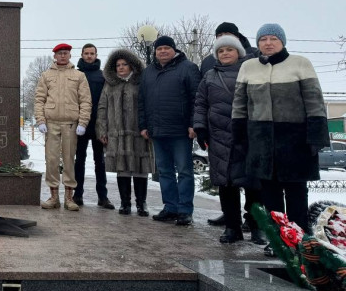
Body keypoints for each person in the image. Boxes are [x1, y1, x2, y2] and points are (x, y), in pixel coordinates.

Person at [232, 24, 329, 249]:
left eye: (273, 38)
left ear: (282, 41)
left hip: (295, 140)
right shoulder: (248, 67)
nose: (268, 43)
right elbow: (239, 105)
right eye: (263, 39)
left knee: (296, 193)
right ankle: (278, 241)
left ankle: (299, 241)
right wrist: (240, 137)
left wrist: (315, 136)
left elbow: (315, 102)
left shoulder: (300, 64)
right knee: (270, 196)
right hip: (261, 140)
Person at [194, 35, 264, 244]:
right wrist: (200, 129)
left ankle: (256, 226)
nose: (225, 53)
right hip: (219, 137)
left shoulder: (252, 72)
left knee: (253, 186)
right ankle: (232, 227)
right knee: (227, 185)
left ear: (239, 53)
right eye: (221, 51)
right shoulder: (209, 76)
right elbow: (200, 104)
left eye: (229, 50)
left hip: (248, 136)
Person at [138, 35, 200, 226]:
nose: (162, 51)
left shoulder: (188, 68)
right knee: (164, 171)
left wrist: (194, 124)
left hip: (181, 131)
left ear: (174, 50)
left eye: (166, 48)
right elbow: (142, 101)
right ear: (155, 52)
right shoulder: (148, 72)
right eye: (159, 49)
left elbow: (196, 99)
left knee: (184, 171)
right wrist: (143, 125)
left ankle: (185, 210)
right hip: (157, 130)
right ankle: (170, 207)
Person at [34, 43, 92, 211]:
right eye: (59, 53)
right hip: (51, 124)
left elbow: (86, 101)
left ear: (70, 55)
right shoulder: (46, 76)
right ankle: (53, 197)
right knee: (51, 160)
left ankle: (69, 197)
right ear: (55, 56)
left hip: (70, 124)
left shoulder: (79, 76)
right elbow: (39, 99)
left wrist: (82, 123)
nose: (62, 56)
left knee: (68, 160)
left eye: (65, 53)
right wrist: (41, 120)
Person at [96, 49, 153, 216]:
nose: (121, 68)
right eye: (118, 65)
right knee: (123, 169)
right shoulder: (110, 84)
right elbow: (102, 107)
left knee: (141, 169)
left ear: (132, 65)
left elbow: (149, 105)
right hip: (117, 132)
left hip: (139, 133)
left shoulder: (141, 82)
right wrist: (102, 129)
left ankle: (141, 204)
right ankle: (125, 203)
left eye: (124, 64)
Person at [73, 44, 113, 208]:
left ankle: (103, 197)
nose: (89, 56)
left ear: (96, 55)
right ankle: (77, 195)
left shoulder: (103, 76)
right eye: (86, 53)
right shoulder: (75, 75)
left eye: (92, 53)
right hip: (80, 124)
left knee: (100, 162)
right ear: (82, 55)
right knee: (79, 161)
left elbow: (108, 101)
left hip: (99, 124)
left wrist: (106, 124)